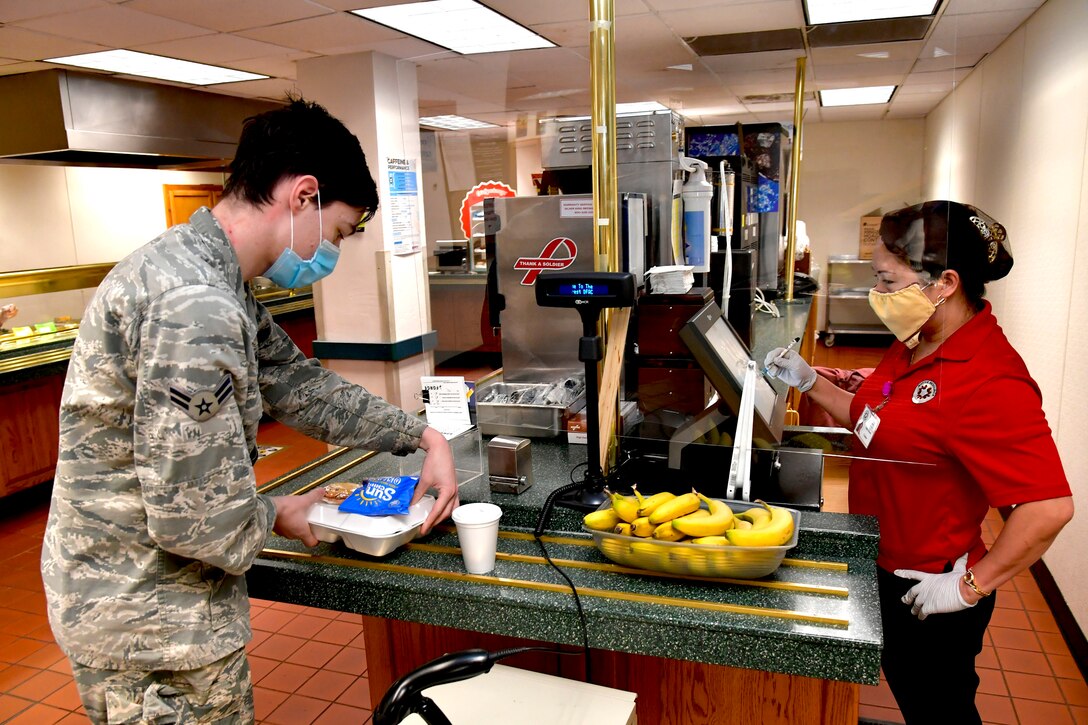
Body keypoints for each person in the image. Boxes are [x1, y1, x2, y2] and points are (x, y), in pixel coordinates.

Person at [41, 97, 460, 724]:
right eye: (338, 232)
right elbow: (196, 518)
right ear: (304, 195)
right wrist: (278, 514)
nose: (330, 251)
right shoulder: (196, 305)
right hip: (152, 625)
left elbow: (295, 382)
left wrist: (423, 436)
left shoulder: (205, 272)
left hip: (140, 605)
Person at [764, 200, 1073, 724]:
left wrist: (969, 586)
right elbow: (875, 421)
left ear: (945, 282)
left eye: (887, 280)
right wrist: (811, 381)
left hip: (927, 587)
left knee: (939, 710)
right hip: (881, 559)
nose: (877, 293)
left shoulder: (991, 379)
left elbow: (1049, 508)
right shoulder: (916, 343)